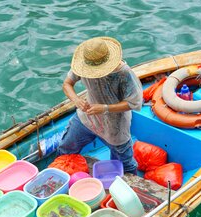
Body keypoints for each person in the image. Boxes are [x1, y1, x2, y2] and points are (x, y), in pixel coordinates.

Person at [56, 36, 143, 173]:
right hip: (87, 117)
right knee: (66, 148)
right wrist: (77, 100)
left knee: (125, 166)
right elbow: (67, 84)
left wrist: (105, 108)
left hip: (115, 124)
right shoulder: (83, 65)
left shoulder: (124, 73)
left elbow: (134, 102)